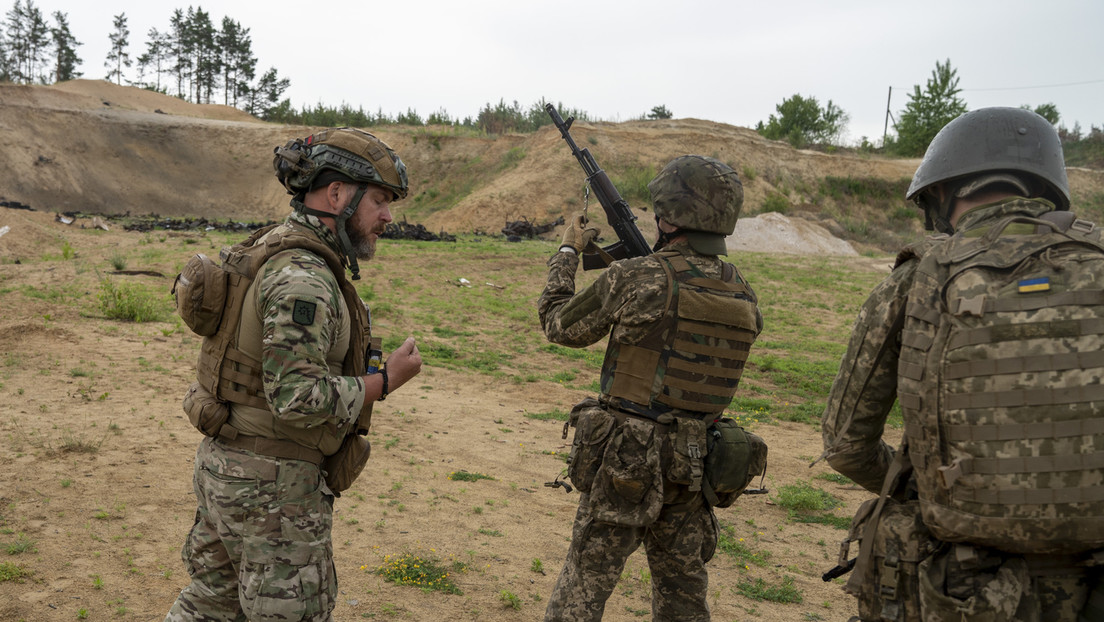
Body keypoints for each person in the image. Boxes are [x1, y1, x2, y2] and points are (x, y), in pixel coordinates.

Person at [821, 107, 1104, 621]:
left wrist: (931, 488)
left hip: (959, 587)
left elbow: (844, 444)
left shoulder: (918, 277)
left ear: (941, 192)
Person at [165, 127, 423, 621]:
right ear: (336, 194)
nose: (388, 216)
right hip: (273, 493)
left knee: (209, 608)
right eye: (380, 200)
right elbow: (296, 397)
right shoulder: (303, 277)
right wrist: (385, 381)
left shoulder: (271, 248)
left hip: (228, 469)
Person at [539, 155, 764, 621]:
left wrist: (566, 253)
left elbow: (558, 325)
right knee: (683, 602)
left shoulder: (637, 275)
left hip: (629, 461)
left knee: (581, 592)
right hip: (696, 463)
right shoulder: (742, 291)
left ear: (667, 216)